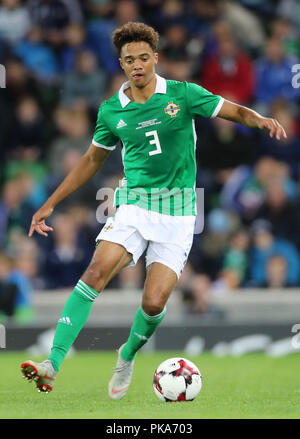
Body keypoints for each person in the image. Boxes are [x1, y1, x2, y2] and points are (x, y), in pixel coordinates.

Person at [20, 21, 286, 397]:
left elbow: (233, 111)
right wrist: (50, 203)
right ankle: (52, 363)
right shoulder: (112, 110)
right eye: (130, 60)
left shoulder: (183, 93)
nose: (137, 65)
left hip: (179, 213)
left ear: (155, 58)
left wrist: (258, 118)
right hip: (134, 204)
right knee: (96, 270)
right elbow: (91, 161)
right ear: (121, 64)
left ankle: (126, 355)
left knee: (154, 300)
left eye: (144, 57)